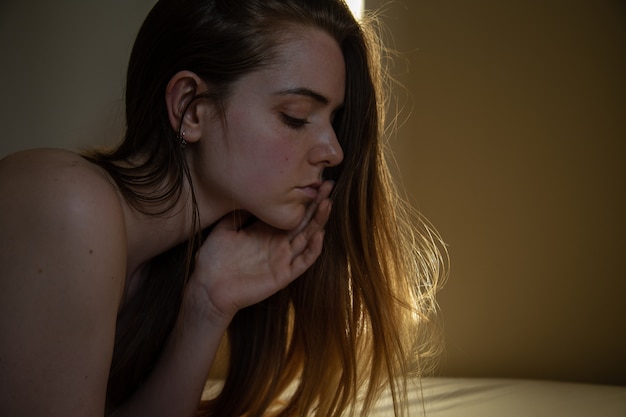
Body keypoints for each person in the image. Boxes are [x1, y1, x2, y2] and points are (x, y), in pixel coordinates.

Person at [0, 0, 447, 416]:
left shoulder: (171, 269)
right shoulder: (69, 203)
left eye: (334, 120)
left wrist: (207, 309)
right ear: (190, 110)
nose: (333, 151)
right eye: (295, 116)